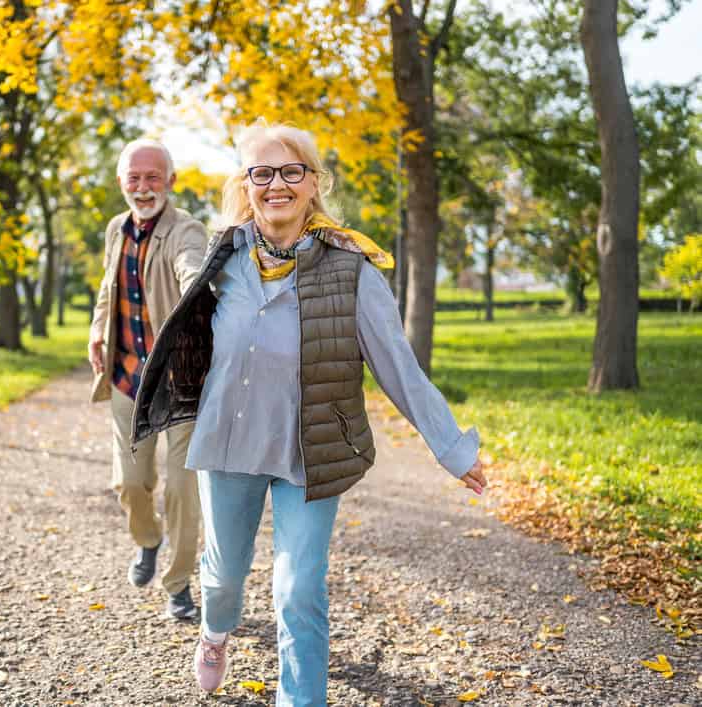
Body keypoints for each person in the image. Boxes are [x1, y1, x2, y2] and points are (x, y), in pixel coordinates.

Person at [132, 123, 488, 705]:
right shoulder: (224, 258)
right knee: (222, 577)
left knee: (299, 590)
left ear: (313, 182)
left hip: (311, 451)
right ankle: (215, 632)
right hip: (229, 443)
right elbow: (184, 322)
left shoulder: (352, 270)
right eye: (262, 173)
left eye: (291, 171)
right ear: (245, 186)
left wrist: (451, 447)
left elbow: (398, 365)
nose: (277, 184)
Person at [89, 138, 209, 619]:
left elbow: (190, 266)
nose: (144, 187)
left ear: (171, 182)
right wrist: (98, 331)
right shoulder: (116, 229)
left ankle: (178, 585)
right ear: (122, 183)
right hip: (126, 379)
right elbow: (107, 288)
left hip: (178, 383)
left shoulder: (187, 229)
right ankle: (148, 540)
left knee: (182, 491)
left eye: (153, 177)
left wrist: (194, 288)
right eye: (134, 178)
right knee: (131, 484)